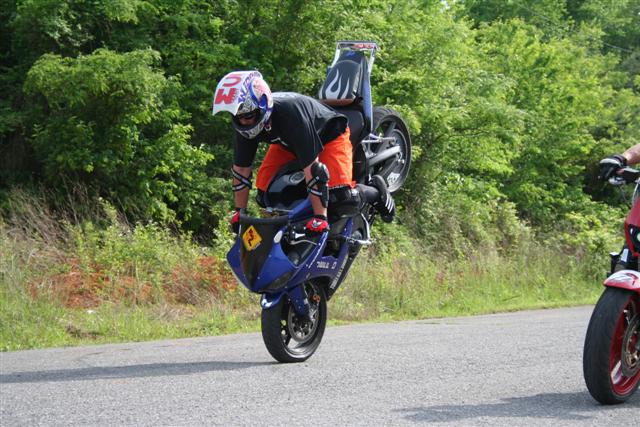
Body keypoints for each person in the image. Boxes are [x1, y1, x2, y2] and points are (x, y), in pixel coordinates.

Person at [212, 71, 395, 234]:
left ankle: (376, 192)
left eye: (248, 116)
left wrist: (320, 218)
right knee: (265, 194)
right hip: (287, 144)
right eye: (238, 117)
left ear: (263, 105)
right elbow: (241, 170)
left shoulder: (290, 114)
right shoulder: (245, 126)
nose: (244, 122)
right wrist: (240, 213)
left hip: (329, 136)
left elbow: (313, 169)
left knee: (340, 198)